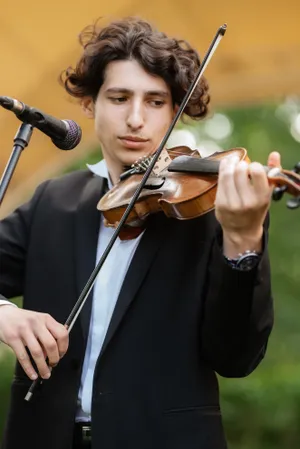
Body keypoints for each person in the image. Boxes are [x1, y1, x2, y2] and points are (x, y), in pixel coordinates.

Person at [0, 16, 279, 449]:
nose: (135, 119)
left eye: (154, 101)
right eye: (119, 97)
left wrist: (241, 241)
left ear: (175, 111)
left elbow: (236, 358)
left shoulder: (213, 209)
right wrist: (5, 314)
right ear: (91, 104)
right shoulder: (54, 201)